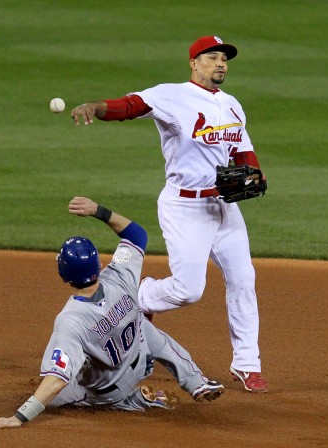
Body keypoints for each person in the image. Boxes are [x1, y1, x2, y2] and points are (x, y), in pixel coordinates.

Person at [70, 36, 268, 393]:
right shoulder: (172, 95)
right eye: (212, 57)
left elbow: (242, 149)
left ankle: (247, 364)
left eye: (224, 59)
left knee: (243, 278)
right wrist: (95, 106)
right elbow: (128, 106)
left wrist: (254, 173)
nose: (220, 64)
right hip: (185, 207)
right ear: (194, 62)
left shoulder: (232, 104)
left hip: (224, 206)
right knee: (189, 291)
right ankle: (142, 296)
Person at [0, 196, 224, 429]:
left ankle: (134, 401)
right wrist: (98, 211)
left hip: (110, 390)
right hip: (141, 358)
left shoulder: (70, 321)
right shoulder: (120, 273)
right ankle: (196, 381)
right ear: (98, 264)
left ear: (63, 275)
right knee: (146, 327)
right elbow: (136, 235)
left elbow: (56, 380)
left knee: (54, 395)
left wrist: (20, 417)